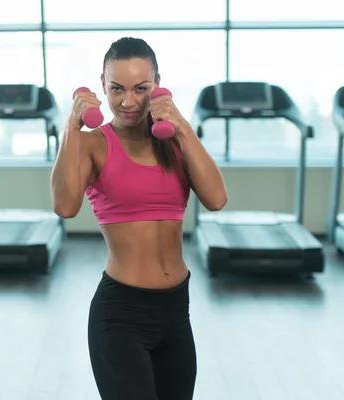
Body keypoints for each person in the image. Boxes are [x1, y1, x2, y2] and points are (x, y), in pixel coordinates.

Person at [50, 37, 228, 400]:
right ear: (102, 85)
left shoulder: (174, 142)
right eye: (117, 89)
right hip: (120, 316)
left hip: (177, 314)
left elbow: (216, 199)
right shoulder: (92, 144)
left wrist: (180, 125)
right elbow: (65, 206)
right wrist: (71, 126)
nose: (128, 101)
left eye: (141, 88)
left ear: (157, 85)